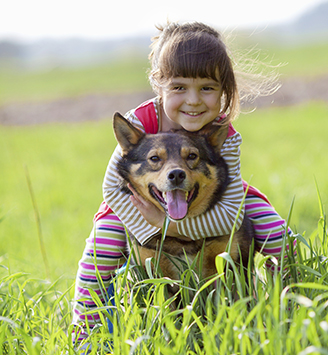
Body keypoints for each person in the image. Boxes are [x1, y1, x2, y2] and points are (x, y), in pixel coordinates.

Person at [71, 21, 295, 344]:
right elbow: (112, 189)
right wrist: (152, 223)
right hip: (137, 201)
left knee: (279, 236)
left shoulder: (223, 135)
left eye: (207, 88)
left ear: (224, 92)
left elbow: (230, 213)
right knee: (101, 248)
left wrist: (167, 225)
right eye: (179, 87)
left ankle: (283, 310)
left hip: (221, 196)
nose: (193, 101)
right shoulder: (139, 123)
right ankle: (86, 333)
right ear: (158, 86)